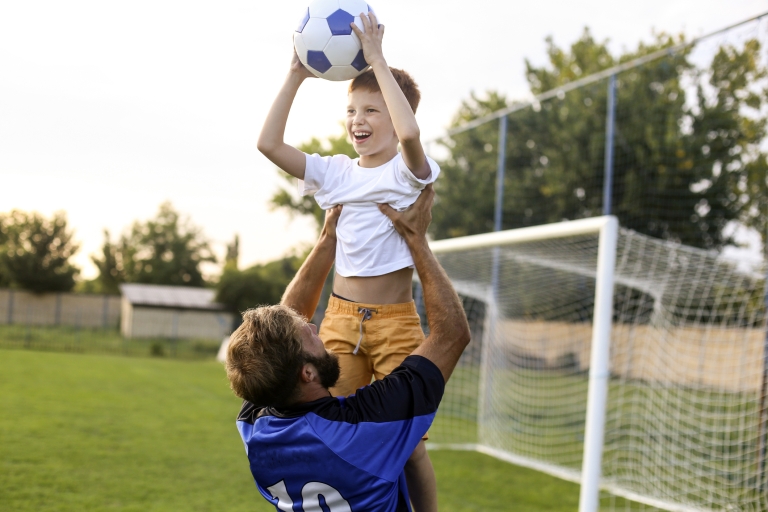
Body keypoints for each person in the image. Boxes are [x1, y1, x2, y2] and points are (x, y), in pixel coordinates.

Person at [256, 12, 440, 509]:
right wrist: (296, 74)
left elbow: (409, 134)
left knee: (410, 451)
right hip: (337, 322)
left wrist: (377, 58)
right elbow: (267, 144)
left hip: (396, 325)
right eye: (352, 110)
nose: (358, 120)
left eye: (372, 110)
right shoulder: (335, 173)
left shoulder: (409, 172)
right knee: (334, 435)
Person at [226, 185, 471, 512]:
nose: (314, 327)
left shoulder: (256, 426)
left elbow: (278, 345)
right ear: (307, 372)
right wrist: (416, 240)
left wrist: (328, 239)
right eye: (308, 335)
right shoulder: (366, 427)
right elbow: (452, 335)